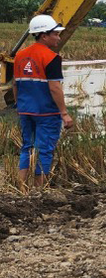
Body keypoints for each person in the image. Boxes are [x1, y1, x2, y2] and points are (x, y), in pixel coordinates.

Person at [13, 15, 74, 187]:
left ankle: (21, 187)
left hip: (25, 111)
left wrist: (19, 105)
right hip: (47, 112)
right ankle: (40, 191)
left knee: (27, 148)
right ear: (43, 35)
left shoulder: (20, 56)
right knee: (45, 150)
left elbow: (15, 84)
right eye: (55, 34)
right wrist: (64, 113)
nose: (59, 37)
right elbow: (55, 88)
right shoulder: (51, 57)